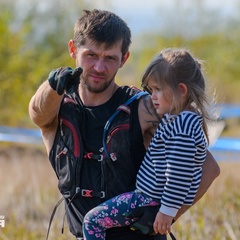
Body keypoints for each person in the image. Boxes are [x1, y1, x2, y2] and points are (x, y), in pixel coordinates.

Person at [28, 9, 220, 240]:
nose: (99, 67)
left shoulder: (143, 109)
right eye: (91, 55)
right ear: (73, 50)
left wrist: (166, 215)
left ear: (124, 59)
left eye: (110, 58)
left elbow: (208, 167)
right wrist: (53, 84)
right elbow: (37, 113)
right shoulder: (58, 109)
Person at [82, 48, 213, 239]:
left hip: (148, 200)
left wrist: (167, 211)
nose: (152, 96)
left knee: (92, 221)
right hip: (151, 198)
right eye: (151, 90)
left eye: (158, 89)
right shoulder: (178, 119)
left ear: (181, 90)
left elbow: (179, 172)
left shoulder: (183, 127)